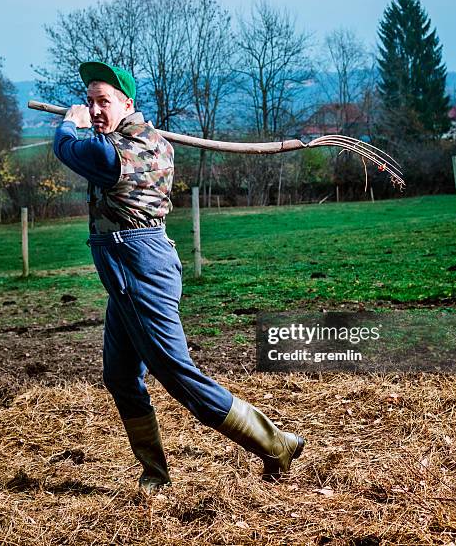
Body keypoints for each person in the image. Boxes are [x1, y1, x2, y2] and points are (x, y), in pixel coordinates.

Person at [53, 61, 304, 494]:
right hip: (127, 271)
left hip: (139, 267)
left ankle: (275, 443)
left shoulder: (126, 150)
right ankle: (154, 473)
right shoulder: (140, 137)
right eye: (90, 101)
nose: (94, 109)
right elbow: (100, 142)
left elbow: (77, 152)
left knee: (176, 373)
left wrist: (68, 124)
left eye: (104, 101)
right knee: (119, 374)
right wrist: (96, 123)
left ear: (127, 103)